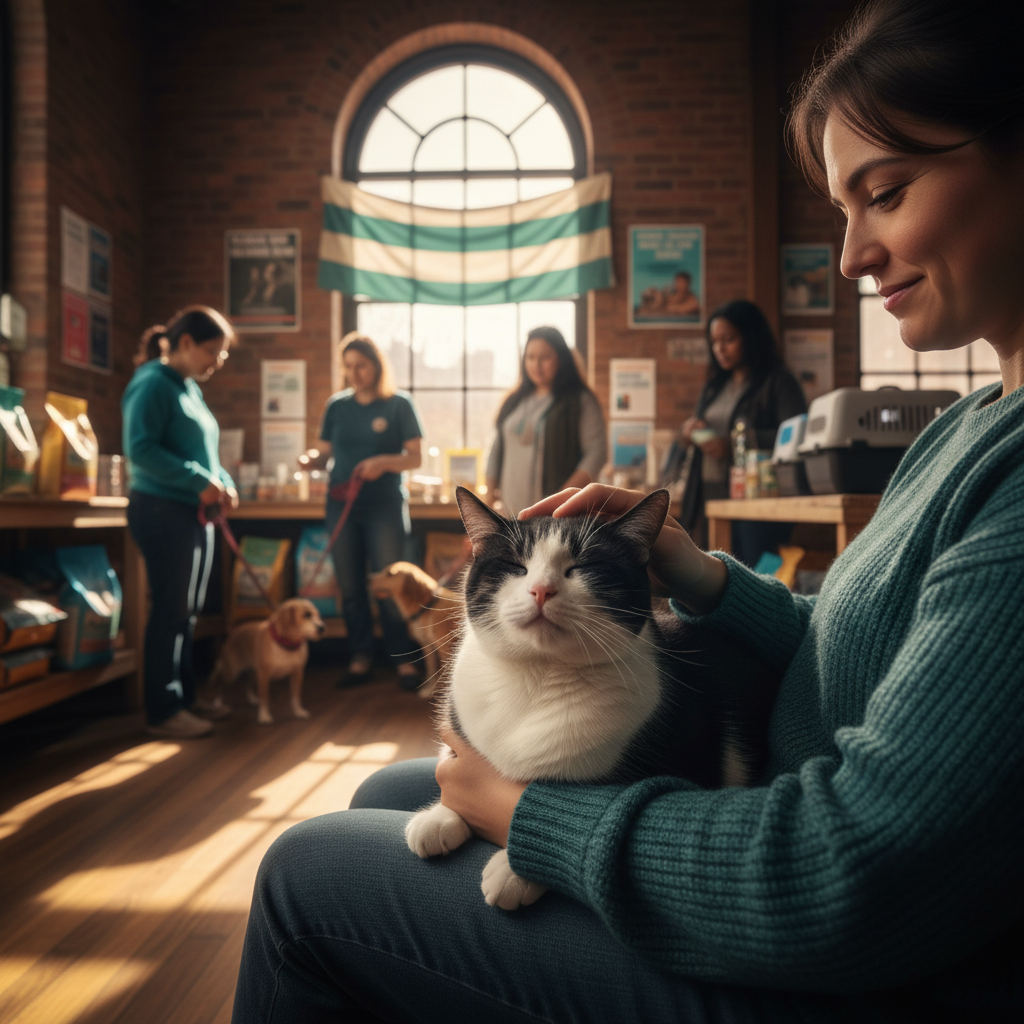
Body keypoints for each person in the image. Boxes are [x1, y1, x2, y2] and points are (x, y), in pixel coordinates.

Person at [231, 1, 1024, 1019]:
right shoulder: (964, 427)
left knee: (306, 872)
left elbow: (851, 879)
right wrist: (694, 570)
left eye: (886, 193)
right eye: (840, 210)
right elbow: (854, 657)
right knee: (390, 797)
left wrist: (529, 817)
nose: (849, 256)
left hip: (841, 966)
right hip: (766, 813)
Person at [122, 306, 237, 739]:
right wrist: (199, 481)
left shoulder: (188, 388)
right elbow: (141, 449)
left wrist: (222, 482)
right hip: (160, 510)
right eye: (214, 351)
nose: (218, 361)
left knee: (187, 613)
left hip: (193, 514)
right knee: (171, 610)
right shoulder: (152, 383)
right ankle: (163, 708)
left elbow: (204, 452)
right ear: (185, 343)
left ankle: (186, 699)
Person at [307, 333, 424, 690]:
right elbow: (324, 454)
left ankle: (403, 661)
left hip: (384, 507)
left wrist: (383, 463)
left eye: (362, 365)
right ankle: (360, 658)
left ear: (376, 366)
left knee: (389, 585)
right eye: (349, 367)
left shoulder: (399, 405)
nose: (355, 373)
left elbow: (415, 457)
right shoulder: (336, 406)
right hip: (341, 505)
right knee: (351, 587)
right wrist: (310, 460)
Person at [677, 299, 806, 564]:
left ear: (750, 337)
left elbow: (797, 435)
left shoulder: (778, 381)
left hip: (754, 500)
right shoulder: (714, 386)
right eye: (714, 342)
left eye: (729, 339)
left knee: (756, 572)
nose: (720, 349)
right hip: (708, 494)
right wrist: (689, 432)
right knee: (710, 578)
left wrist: (736, 443)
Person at [484, 326, 606, 516]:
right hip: (510, 515)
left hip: (558, 517)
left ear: (561, 359)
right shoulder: (513, 401)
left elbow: (597, 453)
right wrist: (488, 503)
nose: (536, 364)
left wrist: (560, 501)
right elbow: (495, 451)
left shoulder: (579, 401)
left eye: (545, 357)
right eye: (530, 357)